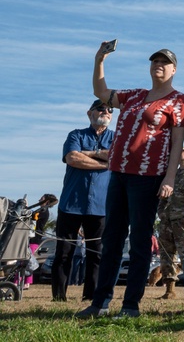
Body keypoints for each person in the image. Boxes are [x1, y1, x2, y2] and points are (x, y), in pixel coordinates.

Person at [77, 44, 184, 319]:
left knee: (139, 241)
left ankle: (130, 306)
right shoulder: (134, 96)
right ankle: (100, 302)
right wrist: (99, 60)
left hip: (148, 178)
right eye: (155, 62)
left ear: (174, 70)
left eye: (165, 63)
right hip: (119, 174)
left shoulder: (179, 101)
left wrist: (170, 177)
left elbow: (177, 144)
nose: (158, 66)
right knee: (112, 238)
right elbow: (101, 93)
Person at [52, 100, 114, 303]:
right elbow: (72, 158)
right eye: (100, 109)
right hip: (72, 203)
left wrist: (89, 153)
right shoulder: (76, 135)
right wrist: (103, 163)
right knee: (64, 252)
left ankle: (91, 296)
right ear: (90, 113)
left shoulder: (116, 137)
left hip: (101, 205)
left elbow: (116, 158)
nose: (104, 112)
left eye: (109, 110)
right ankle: (59, 296)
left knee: (96, 254)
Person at [156, 146, 184, 299]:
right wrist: (161, 211)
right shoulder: (171, 173)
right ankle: (169, 290)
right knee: (167, 255)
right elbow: (163, 194)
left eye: (183, 150)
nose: (179, 152)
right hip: (167, 219)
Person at [26, 194, 57, 288]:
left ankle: (27, 282)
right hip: (32, 237)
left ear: (46, 201)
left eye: (42, 198)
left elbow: (32, 217)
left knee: (29, 259)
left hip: (35, 238)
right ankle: (26, 282)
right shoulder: (41, 210)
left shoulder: (43, 211)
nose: (39, 199)